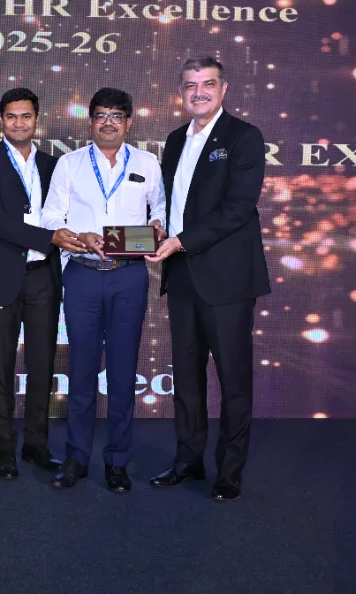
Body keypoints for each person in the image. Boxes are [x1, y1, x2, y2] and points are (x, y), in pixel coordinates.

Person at [145, 56, 271, 501]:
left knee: (234, 380)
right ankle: (188, 459)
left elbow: (238, 208)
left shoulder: (244, 137)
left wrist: (179, 240)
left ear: (224, 88)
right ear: (181, 92)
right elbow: (171, 200)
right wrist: (159, 226)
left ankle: (229, 471)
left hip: (227, 278)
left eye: (208, 84)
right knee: (186, 376)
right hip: (182, 276)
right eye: (190, 85)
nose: (198, 92)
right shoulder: (175, 139)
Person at [40, 88, 166, 493]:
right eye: (101, 115)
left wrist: (159, 226)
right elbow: (49, 218)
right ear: (90, 121)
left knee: (123, 373)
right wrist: (77, 235)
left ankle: (117, 461)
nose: (108, 122)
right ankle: (76, 458)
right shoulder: (69, 164)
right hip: (82, 275)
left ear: (128, 122)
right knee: (81, 371)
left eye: (116, 115)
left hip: (129, 276)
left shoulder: (147, 163)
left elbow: (160, 210)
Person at [0, 88, 85, 480]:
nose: (19, 123)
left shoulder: (54, 165)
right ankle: (5, 449)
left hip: (43, 278)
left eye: (26, 116)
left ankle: (36, 444)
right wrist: (48, 238)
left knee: (42, 365)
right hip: (0, 279)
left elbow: (67, 213)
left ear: (37, 120)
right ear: (0, 120)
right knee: (0, 367)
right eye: (12, 116)